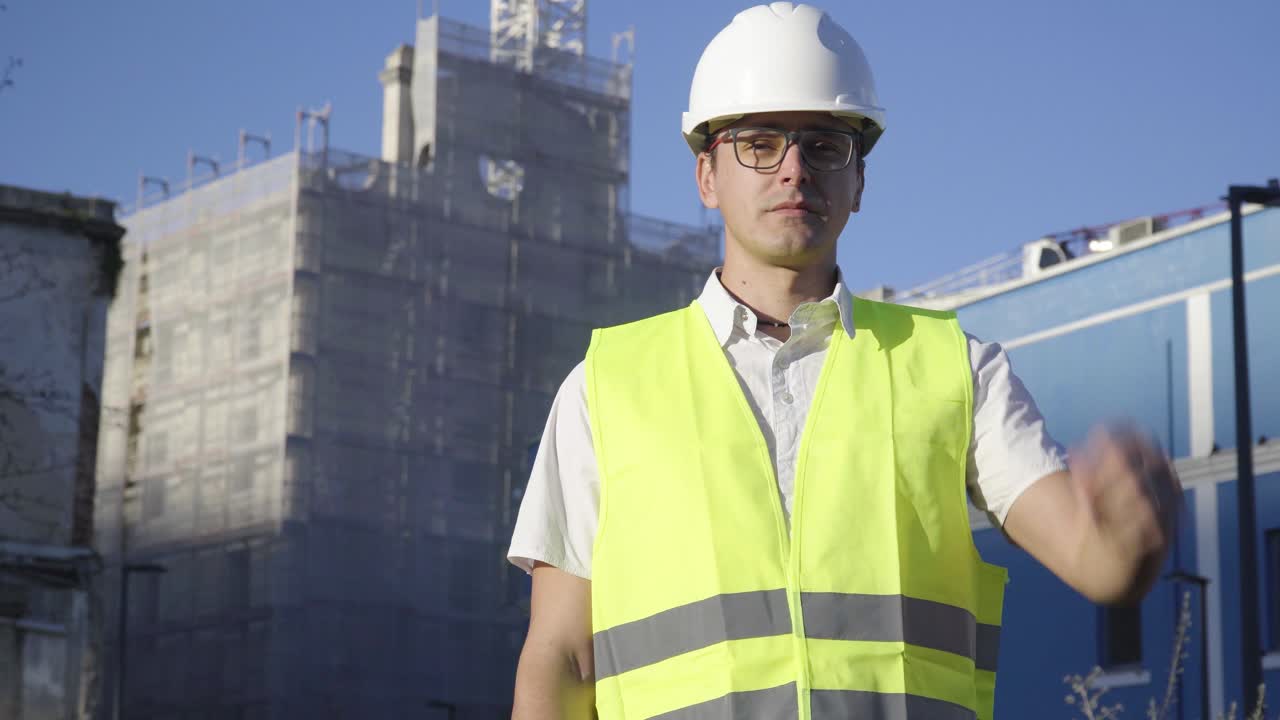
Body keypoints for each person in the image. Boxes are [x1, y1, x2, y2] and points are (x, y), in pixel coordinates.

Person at [507, 4, 1181, 718]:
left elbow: (1093, 558)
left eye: (825, 146)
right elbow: (561, 653)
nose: (795, 169)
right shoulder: (607, 388)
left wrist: (1129, 540)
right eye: (760, 144)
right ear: (707, 176)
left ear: (859, 180)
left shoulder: (956, 370)